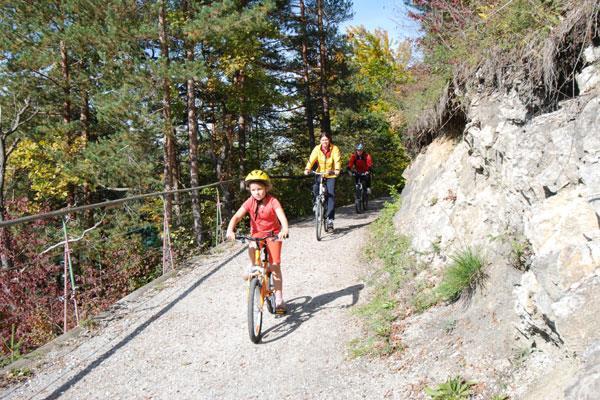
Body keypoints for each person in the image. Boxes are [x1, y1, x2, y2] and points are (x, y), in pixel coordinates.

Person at [226, 170, 289, 313]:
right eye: (253, 190)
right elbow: (236, 217)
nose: (257, 193)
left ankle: (279, 298)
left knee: (275, 266)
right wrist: (230, 230)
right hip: (257, 234)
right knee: (252, 243)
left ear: (266, 188)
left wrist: (284, 229)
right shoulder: (249, 202)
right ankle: (254, 265)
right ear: (249, 190)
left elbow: (282, 216)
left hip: (273, 234)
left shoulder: (273, 201)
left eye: (259, 189)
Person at [304, 132, 341, 232]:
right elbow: (311, 159)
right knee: (315, 188)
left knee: (331, 195)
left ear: (329, 140)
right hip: (320, 173)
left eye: (326, 139)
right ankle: (316, 203)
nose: (325, 141)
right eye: (323, 139)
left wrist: (336, 170)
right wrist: (307, 168)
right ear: (320, 140)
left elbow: (337, 161)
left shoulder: (334, 149)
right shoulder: (317, 148)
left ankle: (330, 220)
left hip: (330, 174)